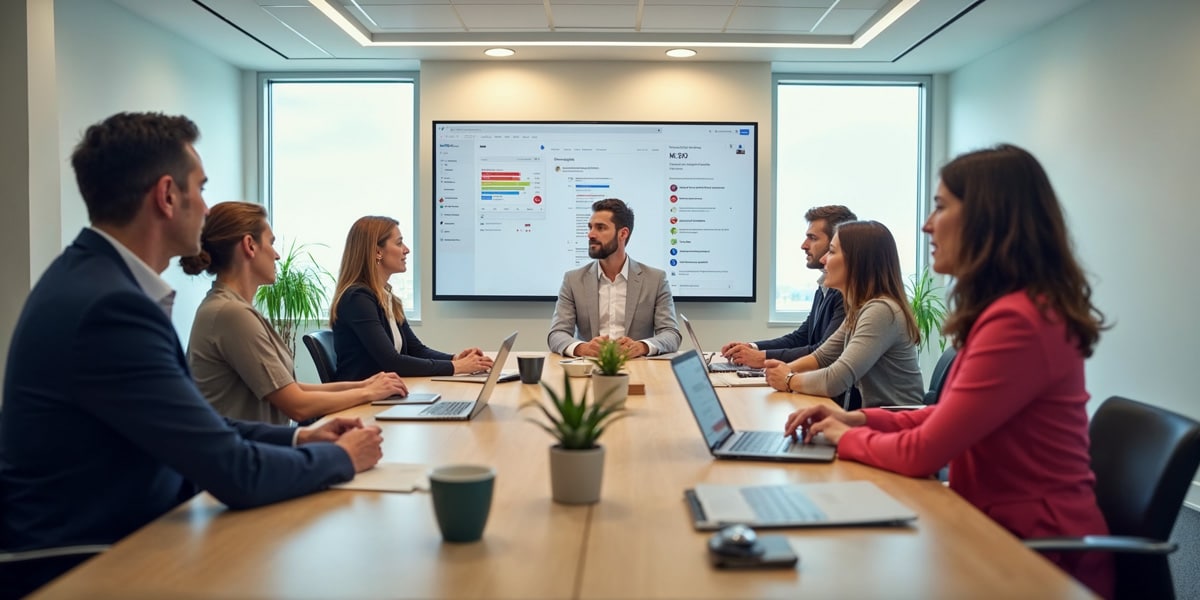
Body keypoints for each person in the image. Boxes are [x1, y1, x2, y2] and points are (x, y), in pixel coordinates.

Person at [0, 112, 383, 597]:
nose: (205, 207)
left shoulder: (95, 282)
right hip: (90, 565)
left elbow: (200, 423)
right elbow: (234, 473)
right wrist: (340, 458)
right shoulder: (110, 307)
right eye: (199, 188)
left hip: (133, 536)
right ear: (166, 196)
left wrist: (302, 439)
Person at [783, 144, 1113, 597]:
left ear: (987, 219)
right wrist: (857, 418)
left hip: (1036, 556)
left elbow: (924, 452)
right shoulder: (1011, 310)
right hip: (993, 528)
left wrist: (843, 436)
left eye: (940, 207)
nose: (926, 224)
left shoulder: (1020, 321)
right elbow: (943, 415)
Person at [181, 202, 409, 424]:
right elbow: (298, 406)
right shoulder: (231, 314)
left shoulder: (234, 308)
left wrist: (365, 385)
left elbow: (292, 388)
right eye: (271, 243)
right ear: (249, 245)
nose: (277, 255)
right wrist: (368, 393)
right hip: (246, 456)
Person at [763, 220, 924, 408]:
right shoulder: (860, 309)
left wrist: (788, 379)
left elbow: (835, 380)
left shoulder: (881, 311)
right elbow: (822, 357)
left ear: (857, 261)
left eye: (831, 251)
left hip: (894, 426)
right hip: (874, 422)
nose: (823, 260)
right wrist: (783, 370)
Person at [330, 216, 492, 379]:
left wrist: (454, 359)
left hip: (385, 394)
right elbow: (392, 362)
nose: (406, 249)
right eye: (399, 243)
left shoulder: (387, 298)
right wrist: (455, 367)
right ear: (378, 252)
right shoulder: (357, 299)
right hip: (363, 400)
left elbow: (417, 350)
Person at [722, 205, 857, 368]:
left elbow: (823, 353)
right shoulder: (824, 287)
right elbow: (801, 337)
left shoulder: (847, 292)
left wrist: (761, 358)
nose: (804, 245)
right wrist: (751, 348)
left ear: (836, 243)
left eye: (813, 238)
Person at [547, 198, 682, 358]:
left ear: (623, 233)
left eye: (601, 228)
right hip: (590, 368)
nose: (591, 234)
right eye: (590, 227)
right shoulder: (573, 280)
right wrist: (582, 348)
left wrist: (642, 347)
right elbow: (557, 334)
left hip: (637, 367)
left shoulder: (655, 279)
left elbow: (671, 334)